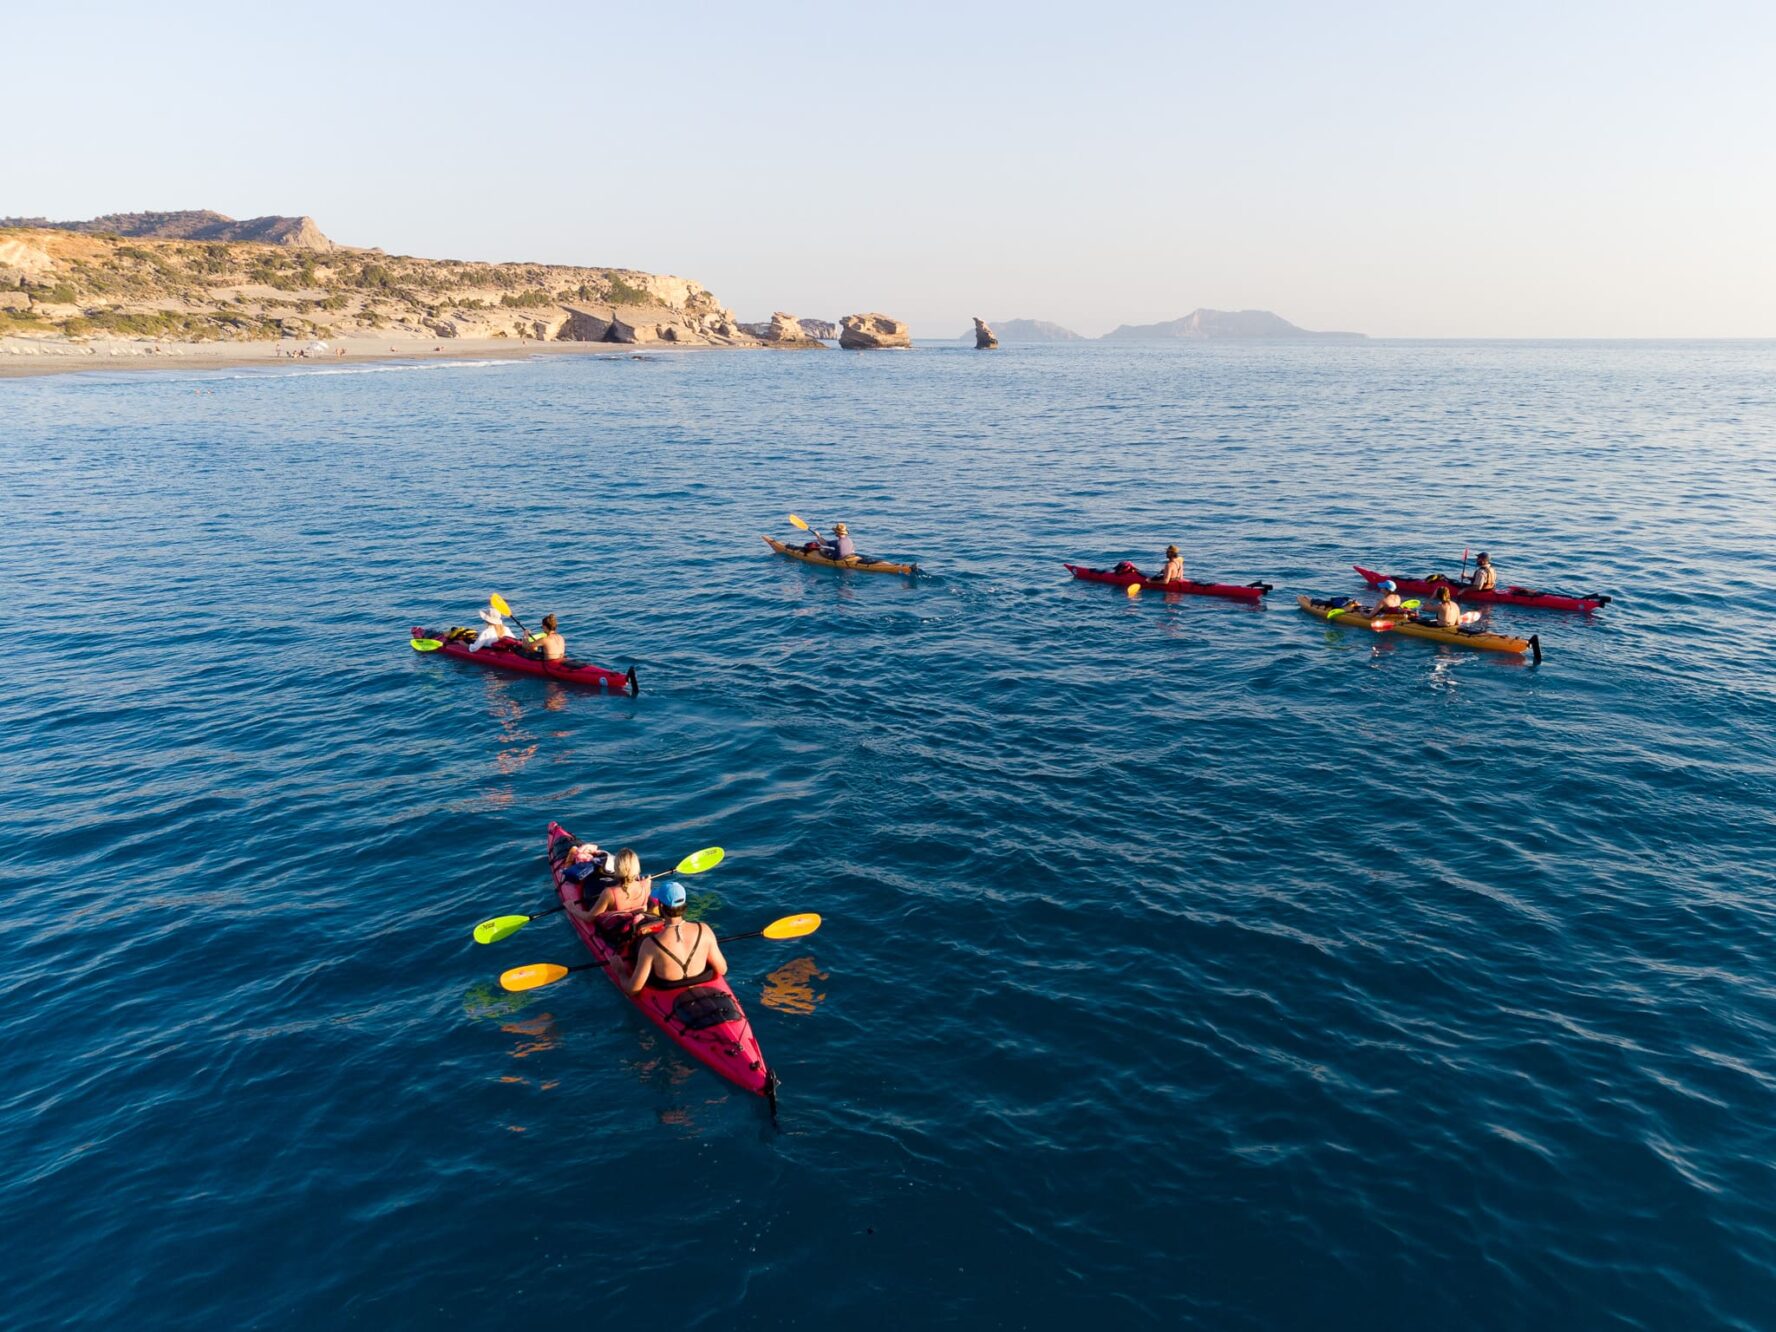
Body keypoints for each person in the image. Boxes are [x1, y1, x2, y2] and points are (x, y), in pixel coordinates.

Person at [613, 879, 728, 994]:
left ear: (661, 906)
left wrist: (620, 971)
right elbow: (722, 969)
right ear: (683, 905)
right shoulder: (704, 930)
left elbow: (633, 990)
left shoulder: (650, 944)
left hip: (667, 990)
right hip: (703, 985)